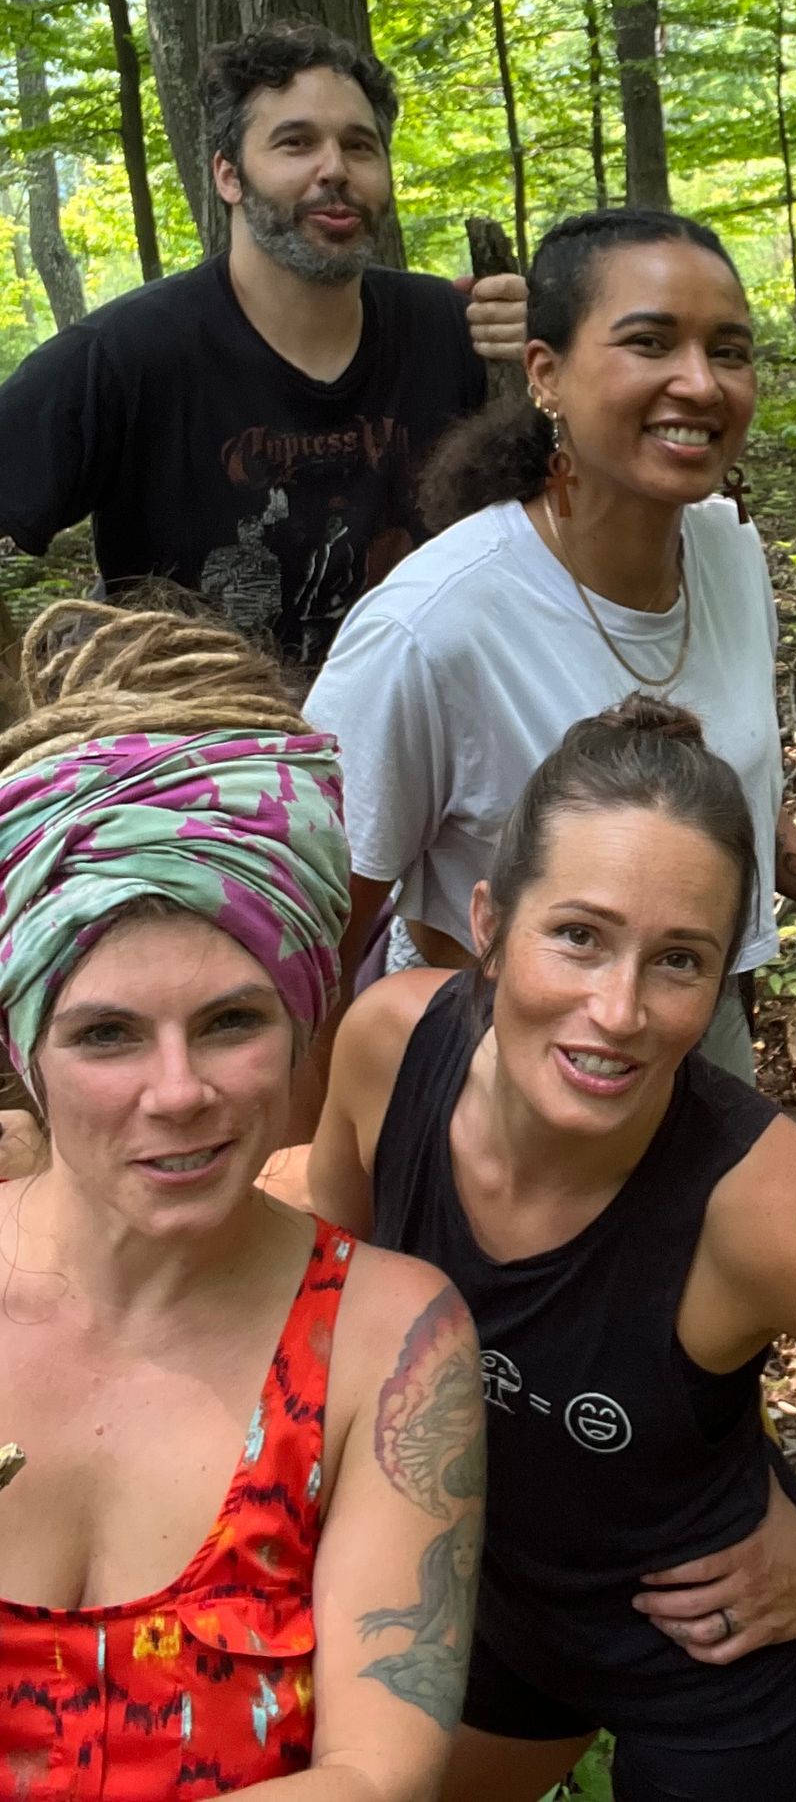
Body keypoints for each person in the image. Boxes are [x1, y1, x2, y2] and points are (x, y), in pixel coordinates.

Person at [304, 693, 796, 1802]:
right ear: (488, 921)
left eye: (678, 961)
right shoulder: (390, 1047)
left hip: (722, 1682)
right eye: (577, 937)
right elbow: (318, 1320)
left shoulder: (756, 1201)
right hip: (487, 1613)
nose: (618, 1009)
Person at [0, 600, 485, 1797]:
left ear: (302, 1022)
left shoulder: (388, 1342)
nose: (180, 1093)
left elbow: (380, 1774)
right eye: (106, 1034)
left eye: (230, 1022)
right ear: (23, 1052)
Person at [305, 207, 796, 1083]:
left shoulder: (729, 554)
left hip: (698, 1059)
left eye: (730, 350)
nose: (700, 382)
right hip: (490, 1084)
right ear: (545, 374)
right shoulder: (431, 628)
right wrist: (310, 1171)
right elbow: (320, 936)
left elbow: (734, 810)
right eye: (650, 343)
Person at [0, 22, 528, 679]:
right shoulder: (124, 356)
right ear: (229, 175)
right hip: (198, 756)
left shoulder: (459, 332)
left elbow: (567, 518)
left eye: (359, 147)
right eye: (295, 143)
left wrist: (554, 367)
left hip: (422, 732)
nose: (333, 169)